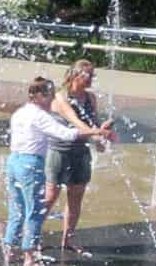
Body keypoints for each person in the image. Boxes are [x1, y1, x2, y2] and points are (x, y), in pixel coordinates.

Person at [5, 77, 111, 266]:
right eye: (50, 95)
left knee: (17, 208)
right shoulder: (39, 116)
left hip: (13, 162)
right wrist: (97, 131)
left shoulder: (20, 113)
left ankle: (9, 250)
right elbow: (65, 134)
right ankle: (30, 259)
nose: (53, 99)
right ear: (39, 96)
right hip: (31, 164)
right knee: (35, 211)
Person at [43, 60, 111, 254]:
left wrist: (100, 137)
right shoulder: (60, 97)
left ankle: (68, 238)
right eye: (88, 75)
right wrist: (97, 132)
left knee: (76, 197)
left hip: (80, 152)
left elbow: (92, 121)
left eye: (93, 75)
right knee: (50, 196)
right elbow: (76, 121)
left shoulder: (90, 98)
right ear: (75, 75)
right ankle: (32, 235)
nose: (91, 79)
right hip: (59, 151)